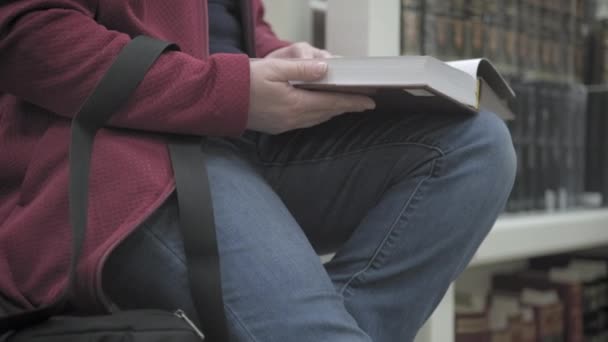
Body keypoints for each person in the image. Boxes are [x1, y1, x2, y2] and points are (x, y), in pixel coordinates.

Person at [0, 0, 516, 341]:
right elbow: (31, 34)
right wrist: (232, 93)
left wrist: (282, 57)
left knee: (475, 145)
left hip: (242, 131)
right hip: (140, 147)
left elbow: (228, 30)